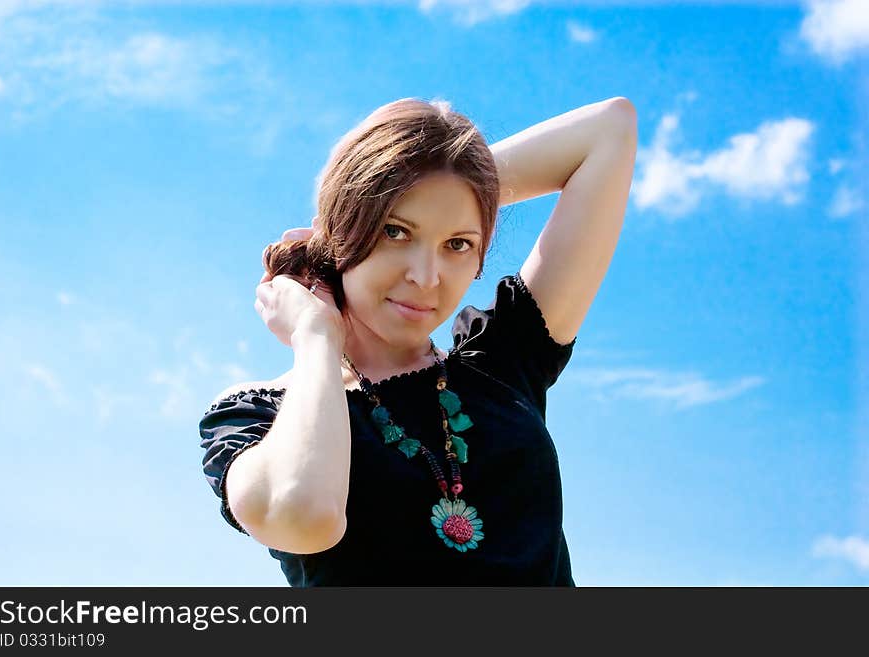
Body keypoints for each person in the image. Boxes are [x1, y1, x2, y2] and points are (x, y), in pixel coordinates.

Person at [198, 96, 637, 586]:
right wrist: (316, 335)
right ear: (345, 228)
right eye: (395, 231)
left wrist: (455, 179)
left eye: (457, 244)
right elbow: (304, 518)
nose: (427, 277)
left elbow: (608, 130)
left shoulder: (505, 361)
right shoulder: (259, 414)